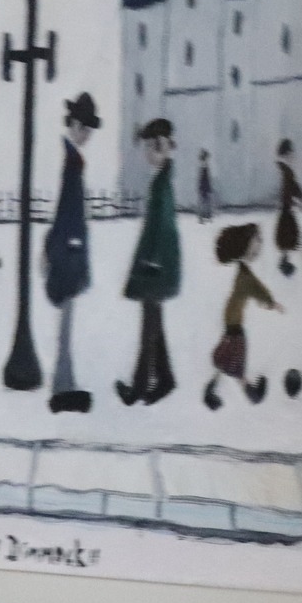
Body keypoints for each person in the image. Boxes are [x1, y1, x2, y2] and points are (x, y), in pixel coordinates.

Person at [116, 119, 181, 406]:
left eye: (151, 147)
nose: (147, 153)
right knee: (154, 323)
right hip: (158, 262)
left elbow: (163, 226)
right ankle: (165, 379)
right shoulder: (161, 180)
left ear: (160, 148)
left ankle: (139, 388)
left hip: (156, 265)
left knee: (148, 328)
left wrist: (153, 261)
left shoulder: (161, 185)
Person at [43, 93, 101, 413]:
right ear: (75, 125)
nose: (88, 135)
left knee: (66, 323)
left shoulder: (72, 158)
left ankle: (65, 385)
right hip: (68, 252)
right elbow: (68, 210)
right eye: (86, 129)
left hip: (67, 249)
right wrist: (69, 246)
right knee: (65, 324)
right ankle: (61, 389)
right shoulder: (72, 162)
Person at [204, 223, 284, 410]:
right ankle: (253, 395)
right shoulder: (244, 275)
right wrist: (271, 302)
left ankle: (212, 390)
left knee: (226, 360)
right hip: (234, 325)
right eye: (254, 247)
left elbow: (255, 287)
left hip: (232, 323)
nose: (258, 250)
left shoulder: (243, 271)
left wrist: (270, 301)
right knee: (234, 365)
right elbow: (256, 289)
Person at [274, 138, 302, 276]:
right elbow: (288, 188)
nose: (292, 157)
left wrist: (300, 195)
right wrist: (292, 201)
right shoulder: (285, 170)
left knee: (288, 235)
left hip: (287, 207)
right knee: (287, 235)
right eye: (291, 154)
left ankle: (285, 260)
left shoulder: (286, 170)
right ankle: (284, 262)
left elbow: (294, 185)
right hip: (286, 207)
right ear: (286, 154)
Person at [196, 149, 213, 223]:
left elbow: (205, 178)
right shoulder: (203, 167)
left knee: (205, 202)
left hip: (204, 186)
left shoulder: (204, 167)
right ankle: (203, 217)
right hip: (204, 186)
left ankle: (205, 217)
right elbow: (203, 179)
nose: (207, 160)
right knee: (204, 202)